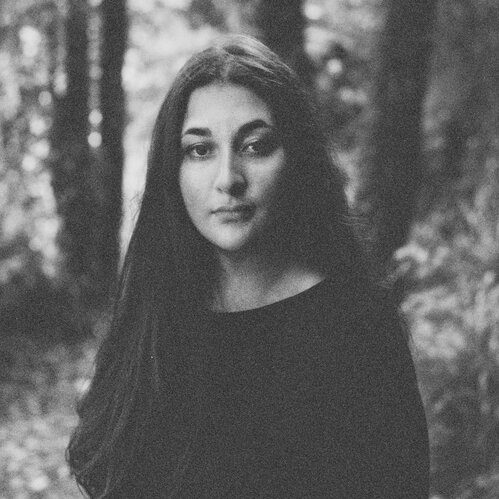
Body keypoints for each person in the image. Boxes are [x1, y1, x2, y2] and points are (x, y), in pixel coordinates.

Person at [67, 35, 429, 498]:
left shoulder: (356, 324)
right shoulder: (153, 311)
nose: (228, 180)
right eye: (200, 150)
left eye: (255, 147)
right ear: (171, 171)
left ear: (295, 159)